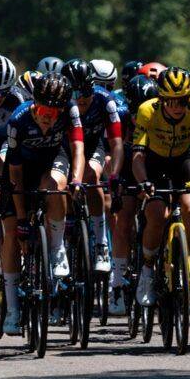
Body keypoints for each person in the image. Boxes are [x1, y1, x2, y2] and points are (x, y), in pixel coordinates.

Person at [0, 73, 84, 335]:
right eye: (44, 110)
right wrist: (23, 218)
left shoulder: (70, 111)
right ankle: (12, 309)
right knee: (13, 233)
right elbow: (14, 173)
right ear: (35, 104)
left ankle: (57, 250)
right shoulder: (18, 120)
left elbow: (78, 148)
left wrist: (78, 180)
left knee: (56, 187)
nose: (48, 116)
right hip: (21, 169)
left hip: (52, 159)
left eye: (54, 112)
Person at [132, 68, 190, 309]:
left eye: (183, 100)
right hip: (154, 163)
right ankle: (148, 271)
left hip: (184, 160)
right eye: (172, 101)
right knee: (157, 215)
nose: (178, 106)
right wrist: (143, 182)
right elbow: (138, 156)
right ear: (161, 99)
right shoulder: (147, 110)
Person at [61, 59, 123, 273]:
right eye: (74, 94)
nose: (81, 99)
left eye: (86, 91)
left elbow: (116, 144)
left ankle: (101, 244)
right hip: (64, 148)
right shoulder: (59, 103)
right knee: (62, 183)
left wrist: (114, 175)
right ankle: (67, 224)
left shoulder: (105, 101)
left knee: (90, 176)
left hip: (93, 146)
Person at [105, 75, 157, 314]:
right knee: (123, 220)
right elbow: (115, 148)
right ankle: (116, 280)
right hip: (128, 161)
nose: (138, 112)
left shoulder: (158, 112)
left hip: (152, 162)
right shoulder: (122, 114)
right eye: (134, 107)